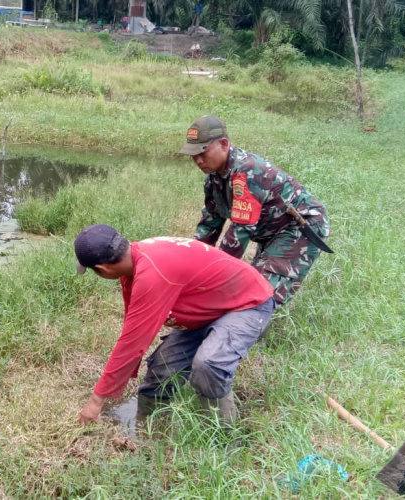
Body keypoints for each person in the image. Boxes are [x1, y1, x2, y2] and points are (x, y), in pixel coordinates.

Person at [74, 224, 275, 426]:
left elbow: (132, 344)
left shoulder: (152, 273)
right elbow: (134, 328)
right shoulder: (134, 262)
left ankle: (222, 433)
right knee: (162, 368)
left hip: (247, 303)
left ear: (103, 269)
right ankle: (149, 428)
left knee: (208, 364)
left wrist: (97, 399)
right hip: (210, 304)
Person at [179, 115, 330, 305]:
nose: (198, 160)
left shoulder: (248, 171)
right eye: (193, 154)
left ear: (224, 144)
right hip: (271, 232)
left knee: (259, 294)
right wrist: (191, 265)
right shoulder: (213, 179)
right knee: (250, 285)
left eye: (203, 152)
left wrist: (213, 277)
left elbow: (239, 232)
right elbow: (209, 225)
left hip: (299, 227)